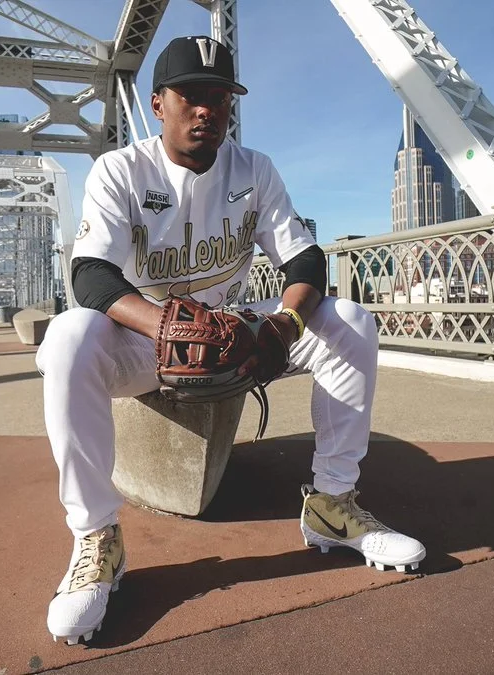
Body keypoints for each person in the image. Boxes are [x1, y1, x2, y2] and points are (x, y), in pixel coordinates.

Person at [35, 35, 426, 646]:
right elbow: (91, 273)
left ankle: (332, 505)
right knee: (68, 336)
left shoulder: (254, 168)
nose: (206, 109)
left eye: (219, 97)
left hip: (236, 328)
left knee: (349, 319)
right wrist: (166, 325)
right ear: (159, 102)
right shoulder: (121, 169)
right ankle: (97, 539)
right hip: (150, 339)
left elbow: (306, 261)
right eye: (192, 94)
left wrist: (282, 325)